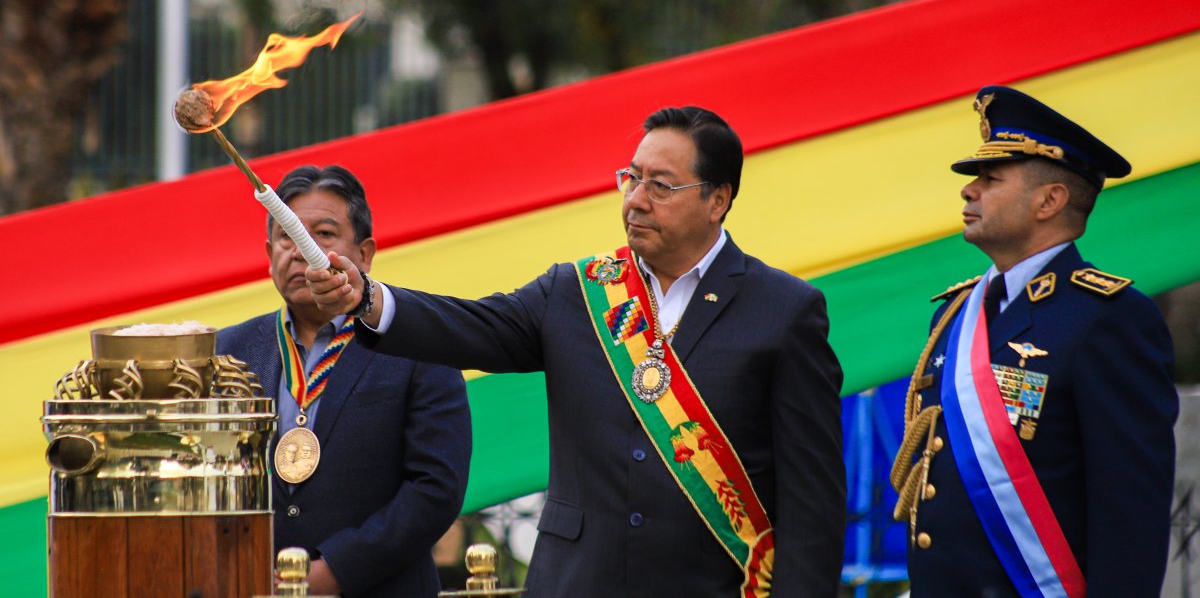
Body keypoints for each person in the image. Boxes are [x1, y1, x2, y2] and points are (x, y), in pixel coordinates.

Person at [305, 106, 846, 596]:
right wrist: (367, 297)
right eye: (630, 178)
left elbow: (812, 504)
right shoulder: (577, 292)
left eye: (660, 186)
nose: (635, 199)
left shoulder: (784, 311)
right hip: (575, 581)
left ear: (717, 200)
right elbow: (471, 326)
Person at [890, 86, 1178, 597]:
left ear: (1050, 200)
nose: (968, 191)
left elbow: (1129, 511)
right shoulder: (954, 314)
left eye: (990, 179)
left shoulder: (1107, 319)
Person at [217, 165, 472, 598]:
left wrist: (334, 571)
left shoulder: (419, 344)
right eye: (287, 235)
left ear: (365, 254)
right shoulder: (227, 352)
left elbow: (435, 489)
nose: (300, 249)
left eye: (323, 234)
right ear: (268, 252)